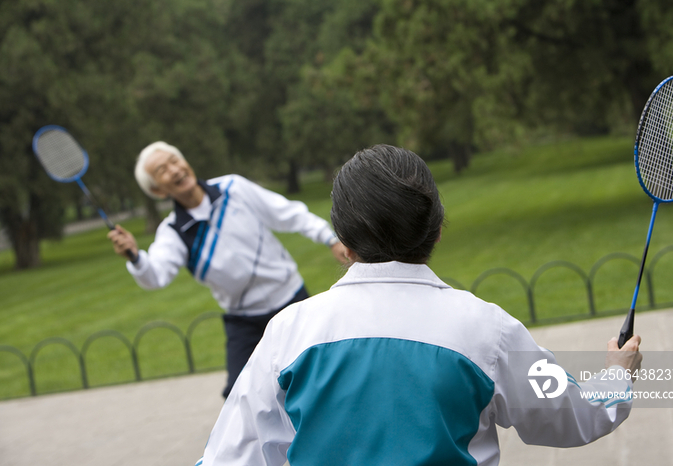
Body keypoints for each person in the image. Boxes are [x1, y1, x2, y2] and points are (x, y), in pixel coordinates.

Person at [198, 144, 643, 466]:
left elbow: (230, 456)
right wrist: (617, 374)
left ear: (345, 245)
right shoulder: (488, 329)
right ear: (437, 230)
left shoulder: (289, 332)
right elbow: (574, 414)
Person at [107, 141, 346, 397]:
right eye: (162, 170)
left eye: (174, 161)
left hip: (291, 300)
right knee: (238, 396)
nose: (174, 170)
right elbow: (155, 276)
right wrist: (134, 256)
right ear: (157, 190)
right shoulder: (173, 231)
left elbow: (288, 213)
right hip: (244, 320)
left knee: (318, 378)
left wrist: (330, 238)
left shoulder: (233, 187)